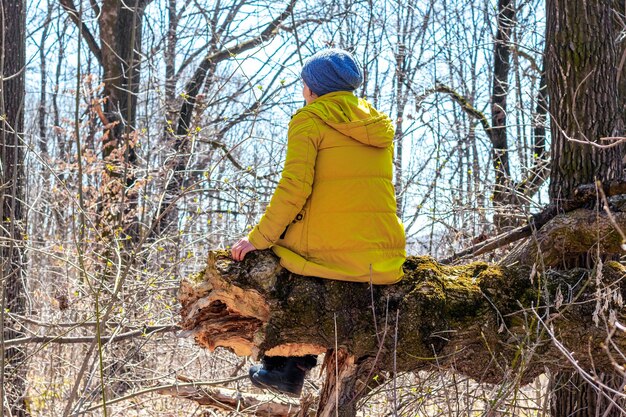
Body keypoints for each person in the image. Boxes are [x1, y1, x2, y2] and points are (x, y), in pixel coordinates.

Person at [231, 48, 406, 396]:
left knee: (279, 260)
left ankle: (286, 370)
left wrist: (259, 237)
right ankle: (293, 369)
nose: (302, 91)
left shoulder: (309, 119)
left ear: (313, 88)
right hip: (380, 257)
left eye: (304, 84)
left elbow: (295, 187)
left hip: (332, 253)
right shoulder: (377, 126)